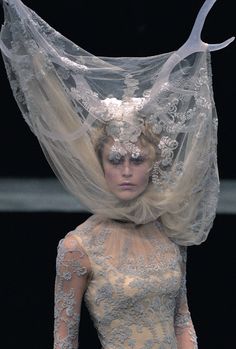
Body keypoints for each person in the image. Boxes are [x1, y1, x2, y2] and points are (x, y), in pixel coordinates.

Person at [0, 0, 234, 348]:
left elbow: (182, 321)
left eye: (138, 160)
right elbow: (64, 342)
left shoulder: (168, 232)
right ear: (101, 165)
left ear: (154, 163)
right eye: (116, 160)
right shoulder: (77, 247)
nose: (126, 171)